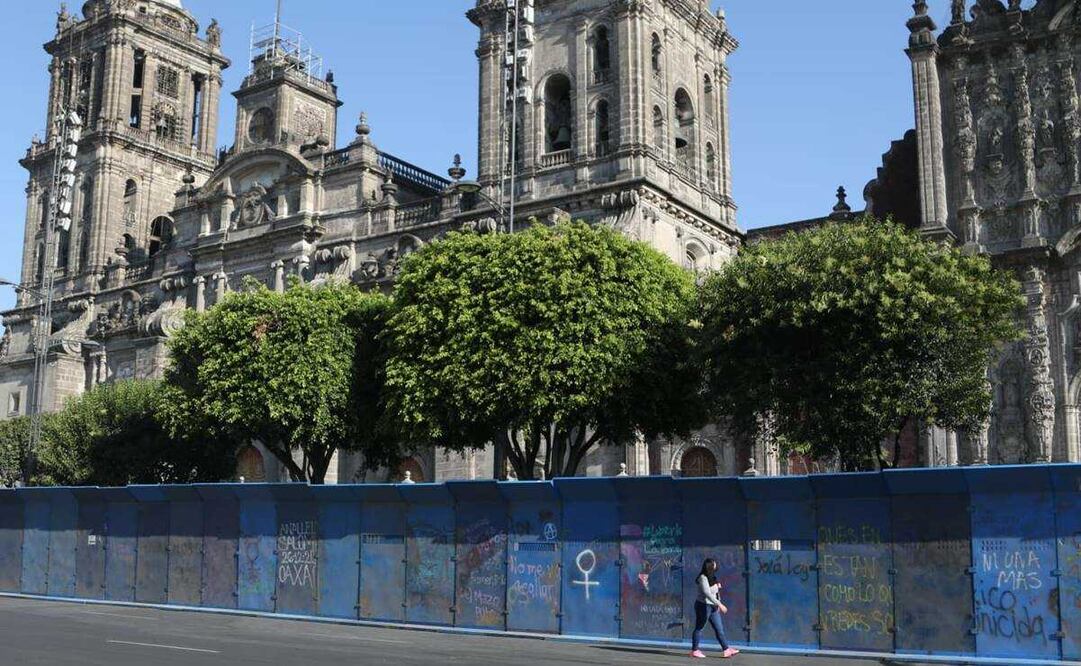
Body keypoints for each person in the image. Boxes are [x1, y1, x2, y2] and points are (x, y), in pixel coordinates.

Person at [691, 558, 739, 659]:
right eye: (714, 564)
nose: (716, 565)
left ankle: (726, 650)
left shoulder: (712, 577)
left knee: (719, 629)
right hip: (703, 606)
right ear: (710, 566)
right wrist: (720, 605)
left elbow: (716, 593)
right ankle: (695, 650)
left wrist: (718, 604)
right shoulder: (702, 578)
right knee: (699, 628)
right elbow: (707, 593)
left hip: (713, 607)